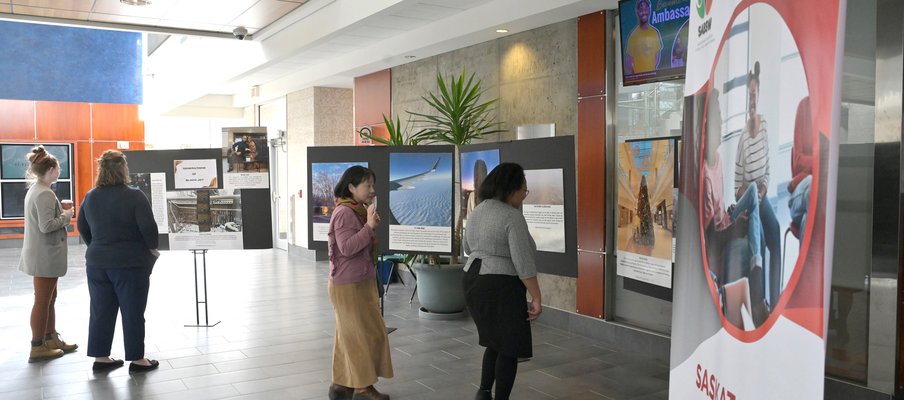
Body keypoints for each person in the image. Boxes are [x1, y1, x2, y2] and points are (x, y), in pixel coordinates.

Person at [462, 162, 542, 400]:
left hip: (472, 279)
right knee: (510, 346)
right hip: (499, 284)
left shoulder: (478, 209)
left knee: (494, 342)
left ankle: (484, 392)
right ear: (511, 189)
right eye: (523, 190)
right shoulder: (511, 216)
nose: (524, 196)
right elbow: (523, 262)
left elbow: (467, 247)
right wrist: (536, 297)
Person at [77, 150, 160, 374]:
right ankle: (137, 359)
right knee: (132, 311)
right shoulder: (134, 195)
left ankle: (101, 357)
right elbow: (149, 230)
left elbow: (82, 227)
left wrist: (97, 247)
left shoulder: (91, 196)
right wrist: (152, 249)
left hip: (96, 263)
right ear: (122, 168)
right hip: (130, 263)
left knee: (100, 310)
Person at [327, 165, 393, 400]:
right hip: (349, 284)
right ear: (352, 187)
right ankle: (363, 388)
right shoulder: (345, 213)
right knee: (361, 335)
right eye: (368, 185)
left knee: (352, 335)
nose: (372, 190)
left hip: (359, 281)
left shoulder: (357, 208)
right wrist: (369, 227)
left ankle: (341, 384)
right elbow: (346, 248)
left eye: (373, 185)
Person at [701, 89, 767, 314]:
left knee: (752, 197)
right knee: (758, 228)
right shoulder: (703, 177)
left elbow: (719, 213)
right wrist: (735, 225)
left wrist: (731, 213)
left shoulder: (717, 160)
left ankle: (757, 286)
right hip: (720, 236)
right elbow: (711, 241)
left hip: (724, 221)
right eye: (717, 116)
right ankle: (757, 297)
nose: (721, 122)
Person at [19, 145, 78, 362]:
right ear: (51, 169)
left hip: (42, 255)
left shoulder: (36, 190)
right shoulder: (44, 193)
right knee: (43, 300)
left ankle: (50, 338)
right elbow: (46, 225)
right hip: (44, 256)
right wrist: (67, 215)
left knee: (49, 298)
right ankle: (38, 346)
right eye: (58, 167)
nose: (60, 171)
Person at [733, 61, 781, 305]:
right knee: (759, 239)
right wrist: (753, 191)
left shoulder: (765, 129)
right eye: (749, 95)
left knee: (776, 234)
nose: (752, 100)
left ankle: (775, 298)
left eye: (755, 94)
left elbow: (768, 171)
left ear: (759, 95)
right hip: (750, 203)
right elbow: (736, 188)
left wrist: (762, 188)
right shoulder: (742, 138)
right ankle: (760, 301)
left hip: (762, 198)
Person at [788, 96, 813, 238]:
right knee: (812, 185)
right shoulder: (804, 107)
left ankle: (808, 260)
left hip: (819, 197)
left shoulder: (831, 113)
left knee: (806, 219)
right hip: (801, 190)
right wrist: (821, 162)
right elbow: (797, 162)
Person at [624, 0, 663, 74]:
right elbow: (628, 63)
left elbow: (657, 56)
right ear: (637, 12)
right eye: (641, 10)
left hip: (652, 78)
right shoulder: (633, 36)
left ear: (649, 10)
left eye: (646, 10)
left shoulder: (654, 33)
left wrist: (650, 72)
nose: (644, 13)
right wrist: (636, 77)